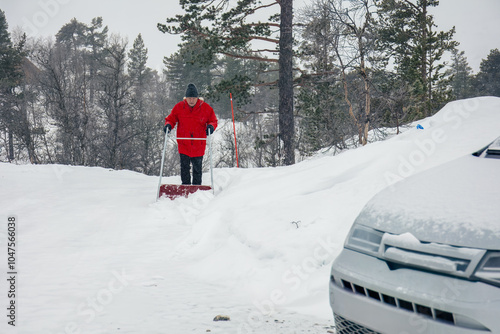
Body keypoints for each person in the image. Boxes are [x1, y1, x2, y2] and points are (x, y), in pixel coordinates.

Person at [163, 83, 218, 185]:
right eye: (189, 98)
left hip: (198, 143)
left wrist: (211, 127)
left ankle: (197, 189)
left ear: (197, 98)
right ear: (186, 98)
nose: (191, 100)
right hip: (184, 143)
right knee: (184, 168)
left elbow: (213, 120)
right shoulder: (179, 107)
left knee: (197, 169)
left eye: (193, 98)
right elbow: (171, 119)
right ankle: (185, 187)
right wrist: (168, 125)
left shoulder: (206, 108)